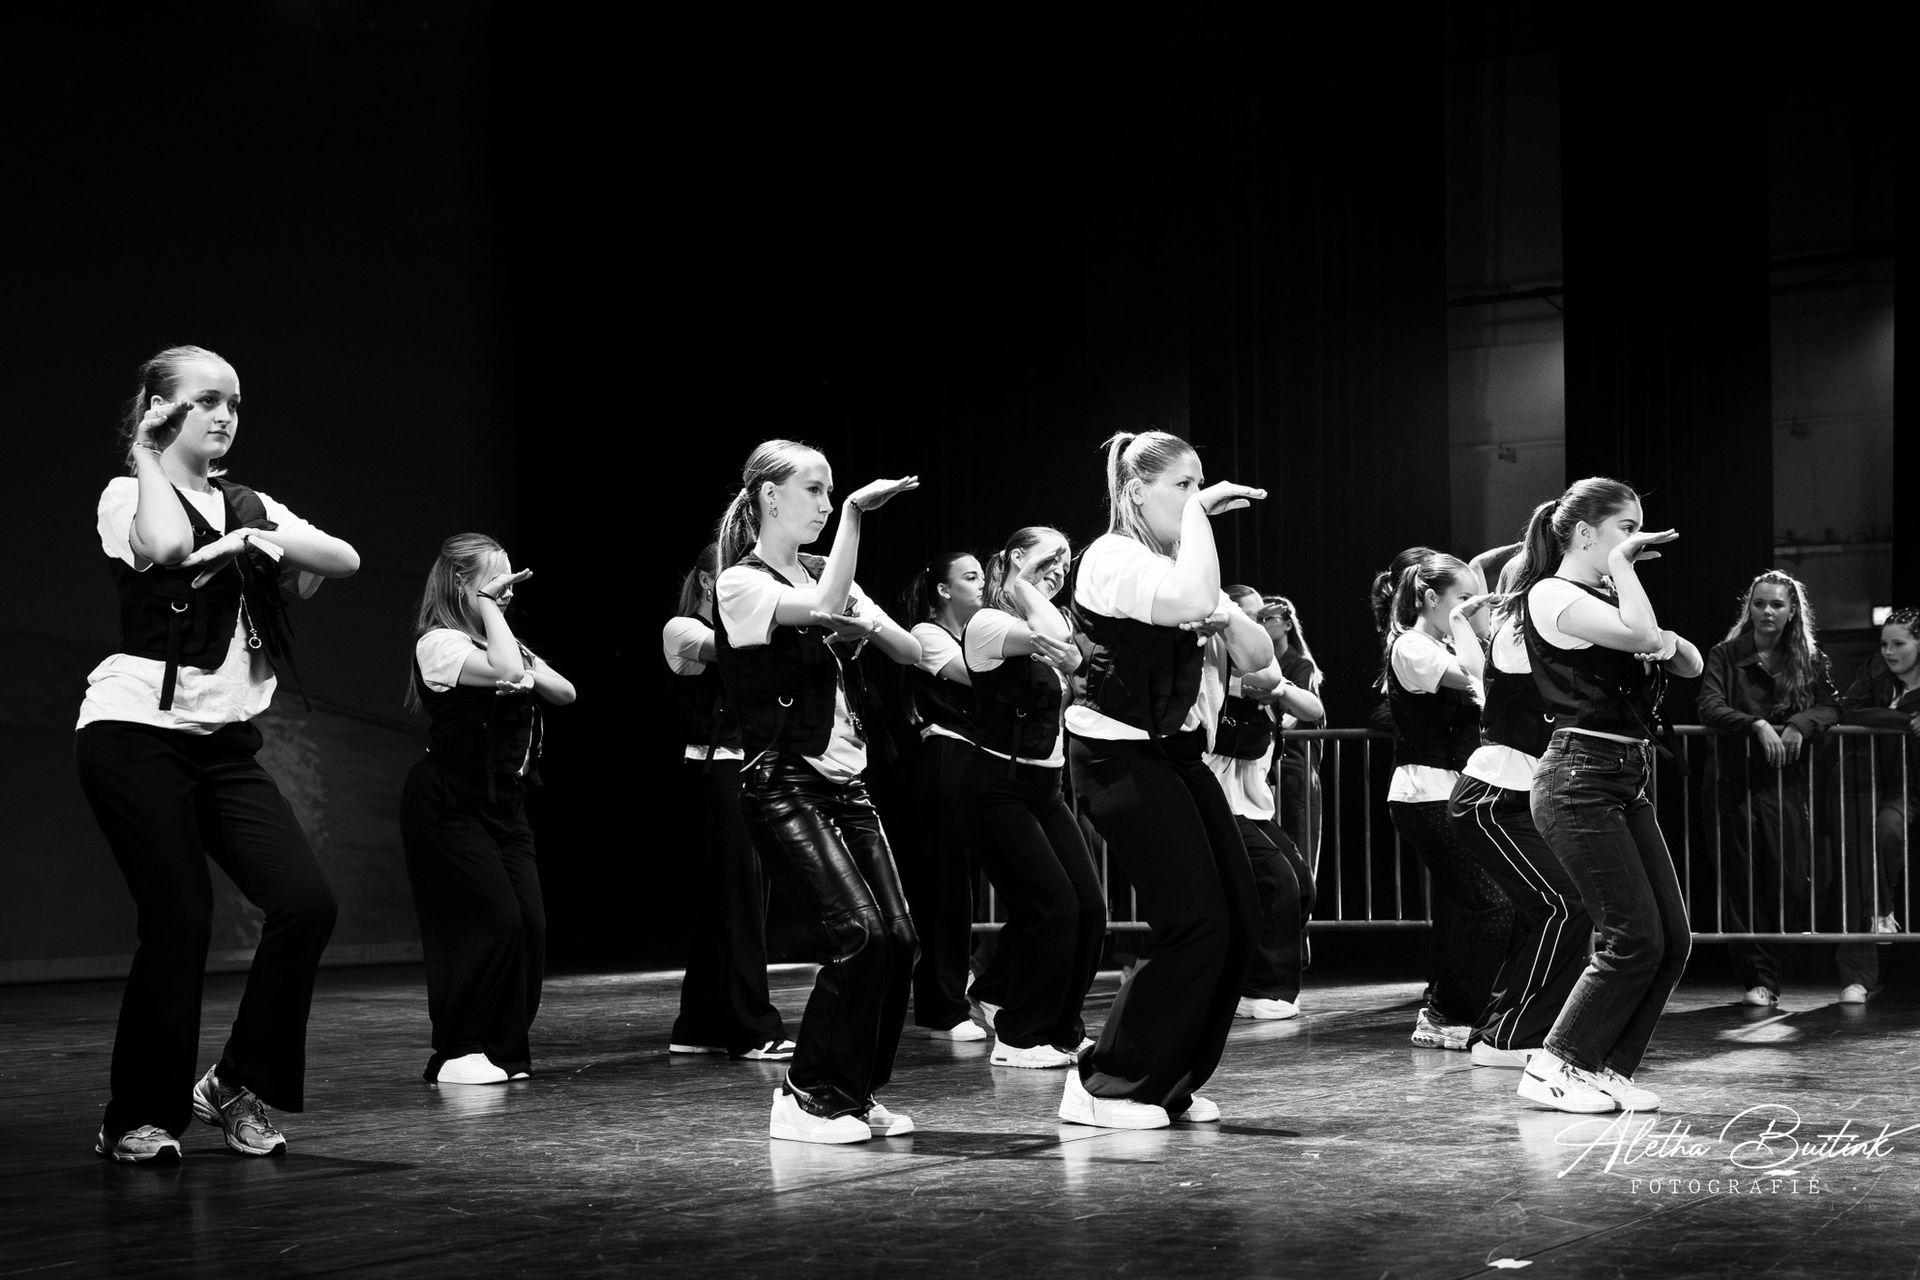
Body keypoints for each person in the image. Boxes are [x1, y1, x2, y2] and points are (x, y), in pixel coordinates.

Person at [77, 345, 358, 1162]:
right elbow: (168, 548)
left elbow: (343, 558)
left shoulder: (248, 502)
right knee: (180, 919)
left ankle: (234, 1082)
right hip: (134, 735)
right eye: (205, 401)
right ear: (161, 409)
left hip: (223, 745)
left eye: (234, 402)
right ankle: (136, 1117)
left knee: (306, 904)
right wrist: (145, 450)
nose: (225, 416)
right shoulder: (128, 494)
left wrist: (258, 539)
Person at [713, 439, 923, 1144]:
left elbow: (909, 650)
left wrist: (863, 626)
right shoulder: (740, 584)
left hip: (847, 785)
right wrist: (858, 517)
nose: (828, 505)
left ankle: (853, 1091)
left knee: (899, 939)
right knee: (859, 935)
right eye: (816, 490)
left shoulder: (818, 573)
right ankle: (806, 1096)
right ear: (770, 497)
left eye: (834, 494)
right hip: (783, 784)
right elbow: (824, 604)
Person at [1063, 430, 1271, 1130]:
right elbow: (1189, 597)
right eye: (1181, 485)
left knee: (1239, 919)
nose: (1193, 498)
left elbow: (1260, 658)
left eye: (1198, 485)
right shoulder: (1111, 558)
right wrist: (1201, 519)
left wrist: (1226, 613)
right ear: (1136, 491)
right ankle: (1106, 1084)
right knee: (1194, 919)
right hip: (1116, 756)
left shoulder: (1171, 564)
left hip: (1174, 755)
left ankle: (1167, 1081)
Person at [1511, 477, 1701, 1114]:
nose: (1638, 540)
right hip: (1578, 778)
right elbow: (1649, 640)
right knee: (1633, 936)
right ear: (1585, 533)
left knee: (1670, 938)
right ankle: (1554, 1064)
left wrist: (1644, 614)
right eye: (1627, 528)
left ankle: (1605, 1067)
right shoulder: (1551, 594)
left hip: (1624, 777)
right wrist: (1626, 574)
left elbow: (1691, 662)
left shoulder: (1610, 599)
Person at [401, 535, 576, 1084]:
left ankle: (503, 1048)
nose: (507, 591)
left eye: (510, 580)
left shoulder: (500, 642)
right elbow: (503, 666)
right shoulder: (440, 643)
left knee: (530, 924)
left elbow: (564, 691)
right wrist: (505, 650)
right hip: (449, 801)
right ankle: (459, 1049)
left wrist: (522, 668)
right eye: (495, 580)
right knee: (493, 920)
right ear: (461, 583)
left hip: (505, 801)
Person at [961, 527, 1106, 1069]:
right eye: (1049, 561)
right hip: (998, 787)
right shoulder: (988, 623)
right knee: (1054, 908)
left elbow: (1076, 662)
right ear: (1016, 559)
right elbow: (1058, 641)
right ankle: (1019, 1036)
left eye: (1065, 565)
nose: (1059, 572)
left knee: (1089, 909)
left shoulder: (1046, 619)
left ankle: (1058, 1027)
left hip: (1046, 789)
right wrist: (1023, 583)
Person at [1445, 561, 1593, 1072]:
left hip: (1517, 800)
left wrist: (1460, 620)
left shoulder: (1537, 640)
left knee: (1552, 913)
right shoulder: (1517, 636)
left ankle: (1504, 1030)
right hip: (1492, 799)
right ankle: (1508, 1038)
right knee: (1564, 907)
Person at [1377, 548, 1515, 1051]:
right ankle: (1444, 1015)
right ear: (1431, 599)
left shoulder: (1440, 643)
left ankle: (1465, 1009)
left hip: (1455, 792)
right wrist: (1466, 624)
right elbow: (1478, 674)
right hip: (1425, 795)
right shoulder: (1413, 648)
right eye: (1463, 598)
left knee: (1476, 905)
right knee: (1491, 904)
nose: (1472, 606)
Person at [661, 544, 794, 1061]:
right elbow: (735, 647)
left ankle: (697, 1024)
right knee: (738, 899)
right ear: (704, 580)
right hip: (716, 768)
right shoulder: (682, 629)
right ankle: (751, 1028)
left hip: (749, 765)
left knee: (726, 900)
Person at [1696, 570, 1840, 1007]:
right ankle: (1759, 979)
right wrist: (1756, 724)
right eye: (1759, 603)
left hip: (1785, 784)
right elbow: (1709, 706)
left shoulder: (1810, 659)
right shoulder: (1726, 654)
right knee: (1742, 883)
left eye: (1777, 604)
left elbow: (1832, 706)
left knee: (1790, 880)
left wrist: (1799, 723)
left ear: (1792, 610)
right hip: (1733, 782)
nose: (1767, 612)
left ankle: (1773, 972)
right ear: (1750, 608)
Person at [1208, 587, 1322, 1020]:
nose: (1257, 625)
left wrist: (1278, 689)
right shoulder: (1212, 662)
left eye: (1262, 618)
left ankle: (1256, 982)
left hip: (1254, 800)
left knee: (1300, 885)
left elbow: (1312, 709)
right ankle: (1261, 988)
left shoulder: (1270, 670)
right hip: (1216, 795)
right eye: (1248, 616)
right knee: (1276, 882)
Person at [896, 551, 988, 1042]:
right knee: (945, 888)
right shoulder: (927, 634)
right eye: (970, 577)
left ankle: (984, 987)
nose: (982, 584)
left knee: (973, 886)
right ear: (944, 590)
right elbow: (975, 677)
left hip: (976, 762)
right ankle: (941, 1006)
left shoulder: (978, 634)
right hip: (943, 760)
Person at [1835, 607, 1920, 1001]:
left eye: (1898, 644)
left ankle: (1882, 912)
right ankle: (1877, 924)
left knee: (1886, 830)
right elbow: (1850, 709)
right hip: (1879, 784)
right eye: (1885, 644)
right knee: (1871, 842)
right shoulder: (1875, 671)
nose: (1888, 652)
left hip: (1910, 785)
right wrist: (1901, 719)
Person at [1264, 595, 1327, 873]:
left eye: (1268, 619)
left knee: (1299, 847)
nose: (1261, 625)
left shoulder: (1301, 665)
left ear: (1287, 624)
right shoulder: (1258, 663)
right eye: (1258, 619)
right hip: (1268, 767)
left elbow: (1294, 716)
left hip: (1294, 766)